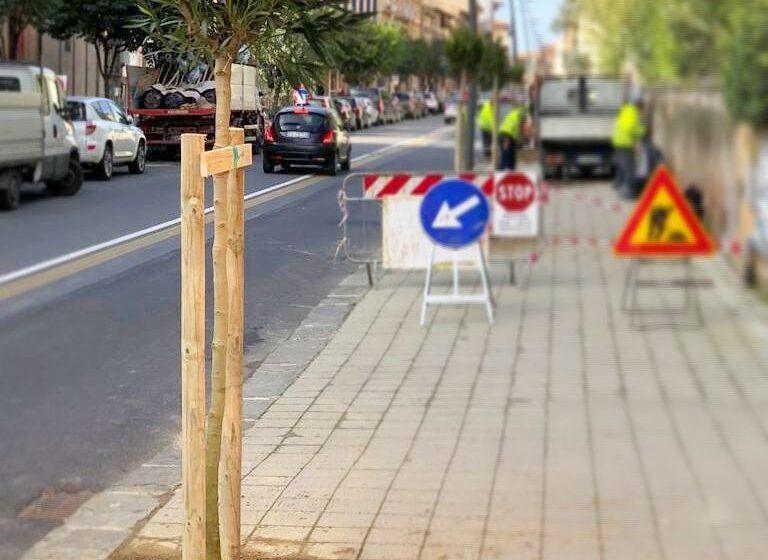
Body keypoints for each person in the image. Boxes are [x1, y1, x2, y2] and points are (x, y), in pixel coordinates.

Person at [612, 96, 646, 198]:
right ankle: (628, 193)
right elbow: (631, 128)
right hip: (625, 142)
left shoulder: (626, 109)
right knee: (630, 169)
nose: (642, 112)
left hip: (618, 141)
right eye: (642, 109)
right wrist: (643, 132)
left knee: (622, 165)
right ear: (639, 106)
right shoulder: (633, 112)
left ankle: (618, 184)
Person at [498, 103, 525, 170]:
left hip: (502, 135)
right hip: (507, 136)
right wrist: (520, 141)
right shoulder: (518, 116)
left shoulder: (511, 114)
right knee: (507, 155)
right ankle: (502, 170)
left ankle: (508, 170)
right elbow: (519, 129)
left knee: (508, 155)